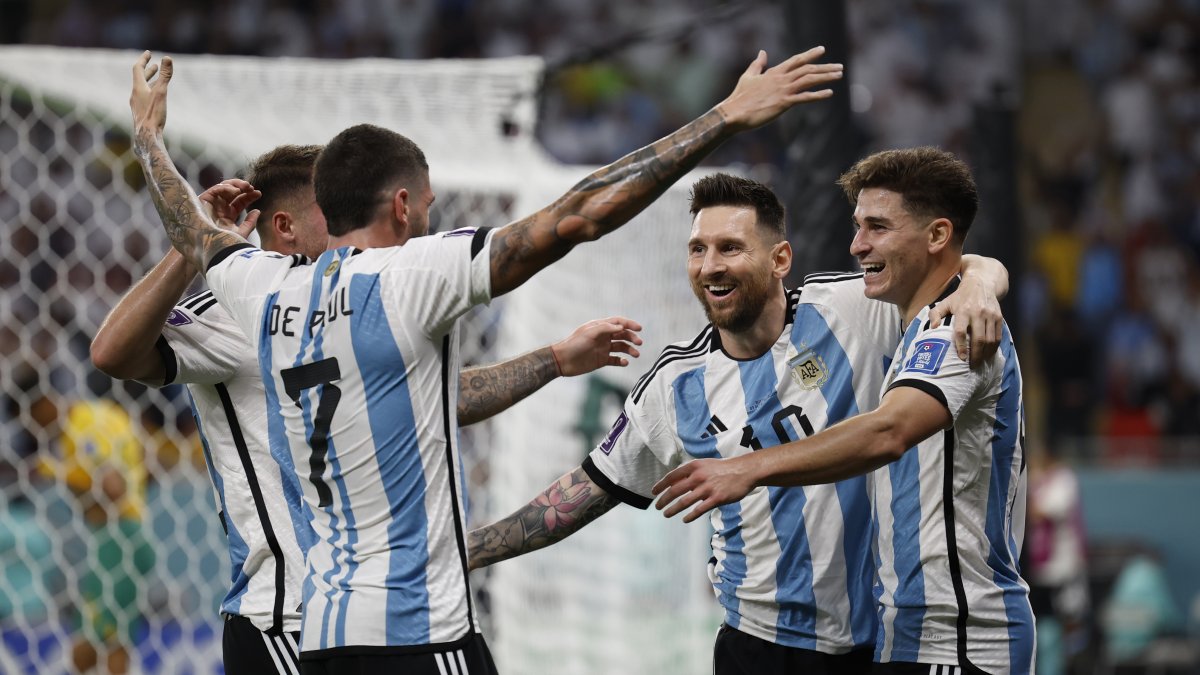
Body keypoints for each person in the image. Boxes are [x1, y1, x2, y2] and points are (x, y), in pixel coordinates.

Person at [128, 44, 842, 674]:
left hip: (320, 635)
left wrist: (149, 137)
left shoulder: (263, 288)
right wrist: (722, 118)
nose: (432, 217)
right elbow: (579, 214)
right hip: (416, 628)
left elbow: (192, 231)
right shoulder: (411, 274)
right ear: (403, 206)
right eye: (430, 204)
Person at [90, 144, 644, 674]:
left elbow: (441, 399)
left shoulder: (345, 301)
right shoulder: (231, 309)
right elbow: (112, 352)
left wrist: (553, 359)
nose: (342, 219)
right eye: (327, 209)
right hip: (282, 614)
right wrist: (191, 248)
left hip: (346, 612)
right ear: (284, 227)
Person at [466, 173, 1008, 674]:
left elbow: (944, 263)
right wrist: (469, 550)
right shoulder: (675, 385)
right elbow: (582, 491)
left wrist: (980, 282)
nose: (710, 266)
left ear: (779, 259)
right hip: (758, 646)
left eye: (730, 248)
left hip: (878, 643)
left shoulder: (849, 309)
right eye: (697, 249)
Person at [653, 148, 1034, 674]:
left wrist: (747, 467)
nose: (858, 245)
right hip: (907, 633)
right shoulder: (916, 326)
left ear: (937, 235)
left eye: (877, 227)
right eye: (858, 227)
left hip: (961, 636)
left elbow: (889, 431)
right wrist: (983, 275)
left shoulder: (956, 329)